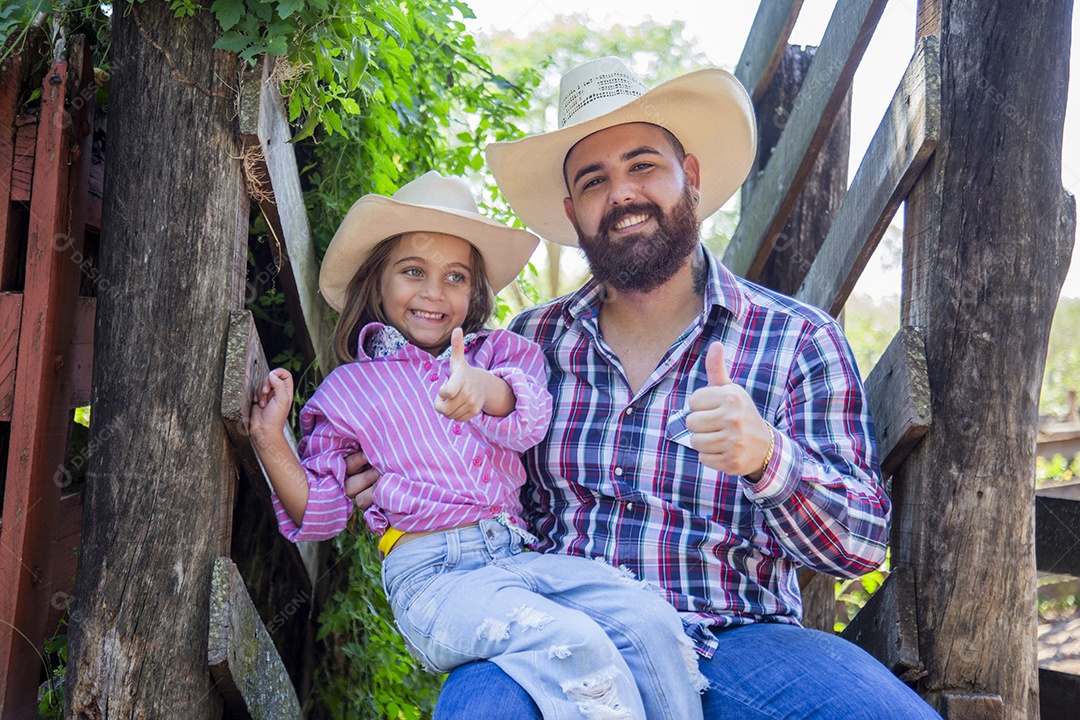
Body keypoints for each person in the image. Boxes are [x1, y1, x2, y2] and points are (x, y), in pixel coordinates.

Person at [367, 59, 939, 718]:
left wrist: (767, 459)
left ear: (688, 179)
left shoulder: (795, 340)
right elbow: (458, 461)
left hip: (739, 641)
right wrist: (385, 461)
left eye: (643, 166)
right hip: (554, 636)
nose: (622, 194)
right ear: (572, 211)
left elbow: (862, 545)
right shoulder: (530, 344)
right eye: (594, 180)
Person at [249, 170, 708, 720]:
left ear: (475, 292)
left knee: (647, 622)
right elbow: (321, 513)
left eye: (456, 277)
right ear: (377, 281)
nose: (433, 293)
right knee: (573, 643)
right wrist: (271, 438)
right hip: (434, 578)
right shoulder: (346, 391)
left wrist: (481, 391)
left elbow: (529, 418)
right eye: (412, 272)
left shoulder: (501, 355)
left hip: (519, 556)